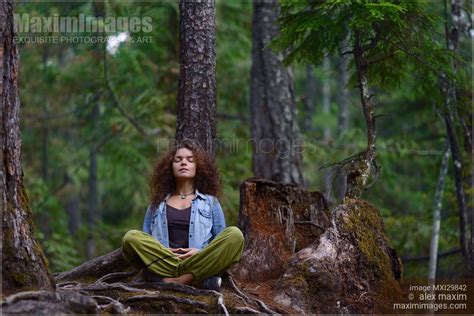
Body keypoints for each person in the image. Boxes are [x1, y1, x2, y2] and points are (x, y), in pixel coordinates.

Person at [121, 140, 244, 291]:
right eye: (178, 160)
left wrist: (201, 253)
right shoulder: (156, 204)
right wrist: (161, 251)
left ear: (197, 167)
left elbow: (220, 239)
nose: (183, 163)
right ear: (170, 167)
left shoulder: (210, 202)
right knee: (131, 237)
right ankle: (197, 281)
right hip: (164, 262)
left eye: (190, 160)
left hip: (197, 261)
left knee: (235, 235)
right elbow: (146, 239)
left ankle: (177, 280)